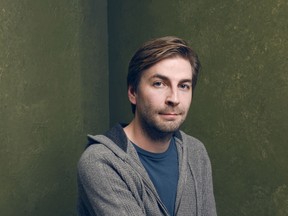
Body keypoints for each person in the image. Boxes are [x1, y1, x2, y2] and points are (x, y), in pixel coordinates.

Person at [77, 36, 217, 216]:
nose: (174, 98)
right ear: (133, 92)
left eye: (183, 86)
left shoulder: (196, 152)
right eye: (159, 84)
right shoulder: (101, 162)